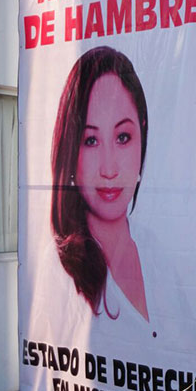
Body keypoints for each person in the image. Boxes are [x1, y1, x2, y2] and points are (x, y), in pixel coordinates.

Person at [50, 46, 150, 320]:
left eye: (122, 137)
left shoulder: (160, 254)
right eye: (91, 140)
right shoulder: (57, 271)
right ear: (70, 149)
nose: (109, 169)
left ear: (142, 134)